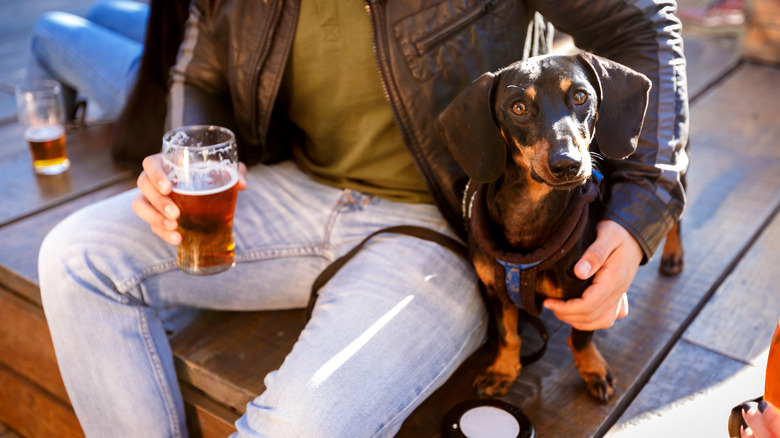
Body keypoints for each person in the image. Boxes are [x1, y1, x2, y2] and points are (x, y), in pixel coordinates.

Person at [37, 0, 690, 436]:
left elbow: (638, 23)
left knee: (296, 427)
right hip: (287, 187)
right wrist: (179, 158)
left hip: (447, 225)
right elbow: (199, 60)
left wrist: (639, 215)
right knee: (72, 256)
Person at [24, 0, 150, 120]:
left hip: (161, 90)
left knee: (43, 32)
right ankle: (49, 130)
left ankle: (48, 129)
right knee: (100, 12)